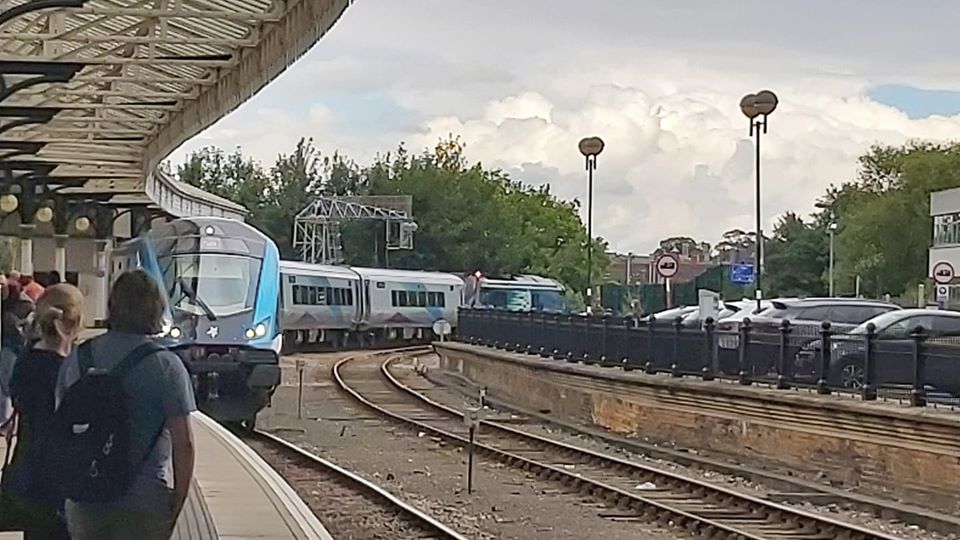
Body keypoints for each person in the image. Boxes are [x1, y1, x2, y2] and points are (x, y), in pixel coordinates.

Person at [56, 269, 196, 540]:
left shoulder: (79, 358)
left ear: (112, 305)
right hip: (144, 501)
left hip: (85, 496)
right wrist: (177, 503)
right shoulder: (166, 366)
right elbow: (185, 443)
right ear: (157, 309)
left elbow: (62, 423)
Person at [5, 284, 84, 539]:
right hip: (62, 479)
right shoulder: (70, 372)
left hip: (28, 472)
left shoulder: (25, 361)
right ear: (74, 324)